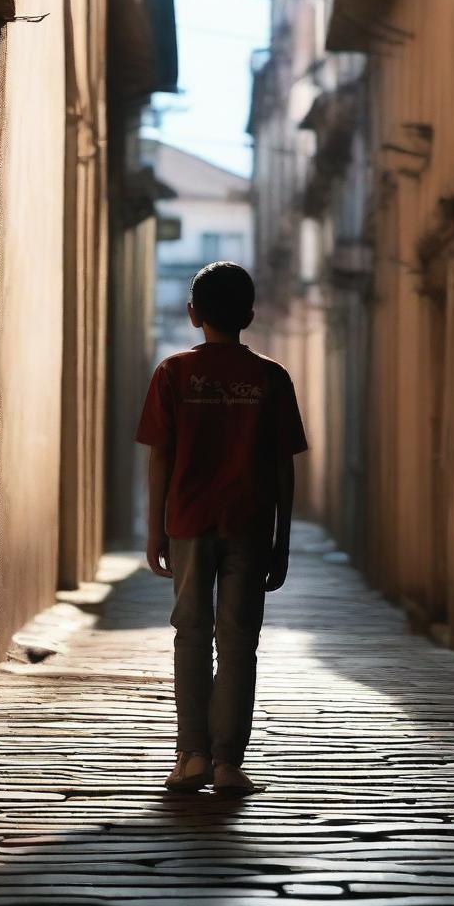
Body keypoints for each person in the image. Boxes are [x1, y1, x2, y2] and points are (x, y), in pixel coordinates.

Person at [135, 261, 308, 796]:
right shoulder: (271, 378)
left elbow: (160, 457)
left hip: (188, 522)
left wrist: (155, 529)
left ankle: (191, 757)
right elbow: (284, 466)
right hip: (250, 525)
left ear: (193, 314)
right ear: (250, 315)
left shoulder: (172, 374)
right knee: (238, 643)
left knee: (191, 635)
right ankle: (229, 763)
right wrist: (282, 540)